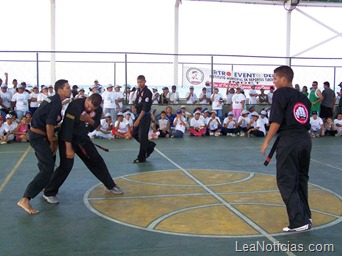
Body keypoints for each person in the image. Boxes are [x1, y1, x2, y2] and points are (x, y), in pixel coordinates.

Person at [42, 94, 123, 205]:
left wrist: (90, 120)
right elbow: (67, 127)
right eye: (88, 106)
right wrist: (69, 148)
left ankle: (110, 185)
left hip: (82, 138)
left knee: (96, 160)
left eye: (92, 109)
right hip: (67, 138)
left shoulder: (98, 110)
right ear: (87, 99)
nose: (89, 109)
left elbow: (94, 126)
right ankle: (49, 192)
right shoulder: (75, 105)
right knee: (66, 166)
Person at [260, 65, 312, 232]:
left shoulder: (280, 93)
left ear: (284, 78)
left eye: (275, 78)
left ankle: (298, 221)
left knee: (286, 180)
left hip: (289, 140)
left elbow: (276, 120)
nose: (274, 82)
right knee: (300, 178)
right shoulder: (304, 98)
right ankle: (305, 214)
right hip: (305, 140)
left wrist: (266, 141)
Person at [17, 79, 72, 214]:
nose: (70, 90)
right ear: (59, 90)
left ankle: (44, 185)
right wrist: (52, 140)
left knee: (48, 164)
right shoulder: (55, 104)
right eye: (67, 88)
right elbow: (49, 125)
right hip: (39, 137)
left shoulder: (54, 100)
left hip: (41, 136)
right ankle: (26, 198)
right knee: (47, 169)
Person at [132, 75, 155, 163]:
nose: (139, 84)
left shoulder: (148, 92)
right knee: (134, 134)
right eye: (138, 82)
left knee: (142, 136)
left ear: (145, 81)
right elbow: (138, 101)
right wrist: (135, 106)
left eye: (141, 82)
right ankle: (149, 145)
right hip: (138, 114)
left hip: (144, 116)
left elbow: (145, 108)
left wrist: (138, 120)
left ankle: (141, 157)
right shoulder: (138, 91)